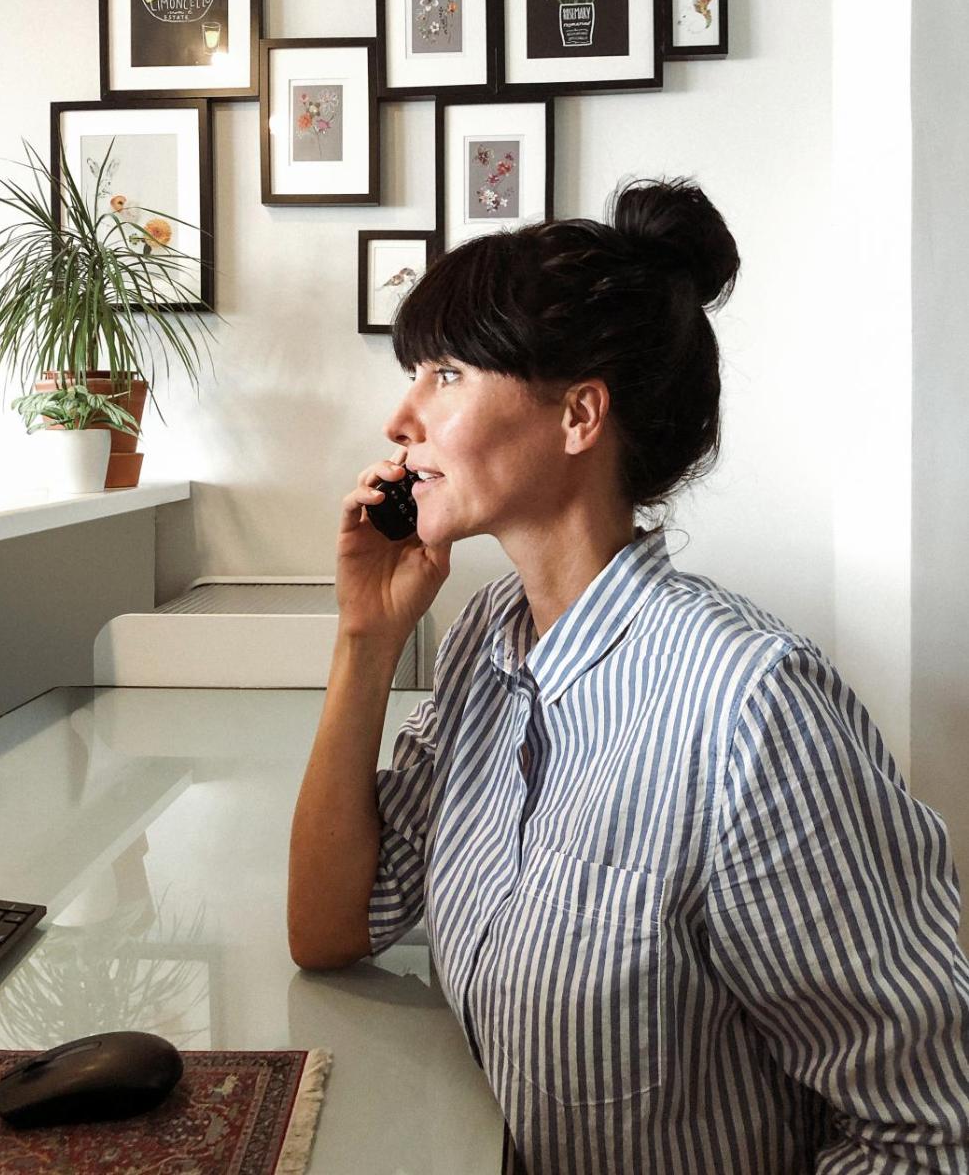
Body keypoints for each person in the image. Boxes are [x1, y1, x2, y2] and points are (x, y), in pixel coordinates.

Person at [288, 178, 969, 1174]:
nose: (400, 416)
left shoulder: (750, 712)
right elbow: (329, 926)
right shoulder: (486, 643)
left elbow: (928, 1131)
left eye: (445, 373)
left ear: (579, 415)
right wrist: (366, 637)